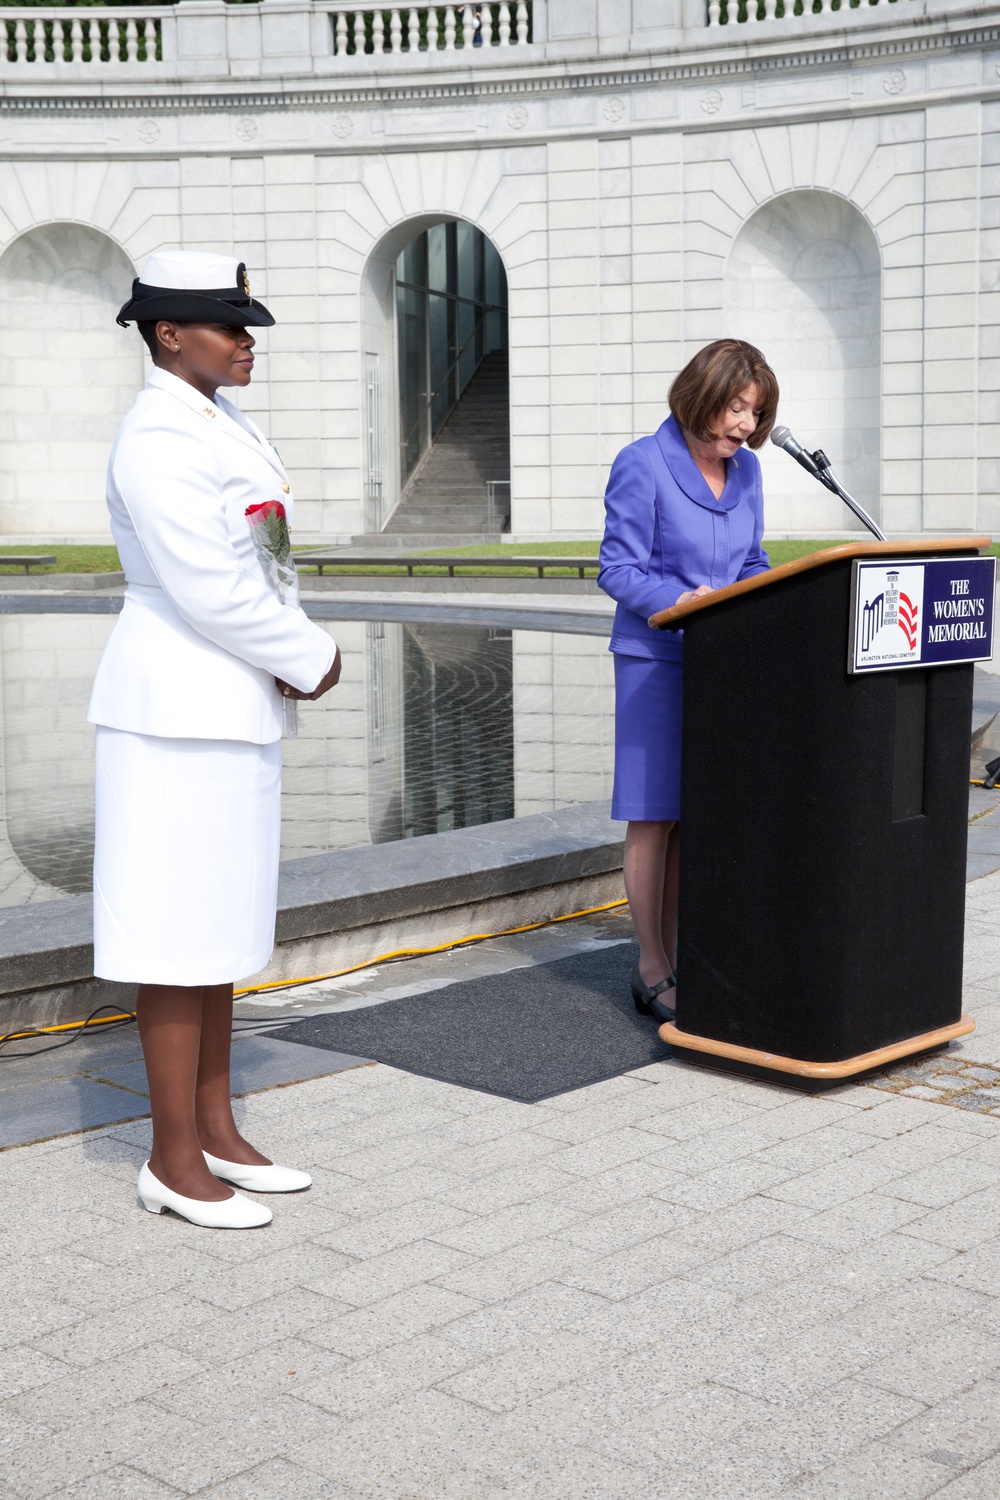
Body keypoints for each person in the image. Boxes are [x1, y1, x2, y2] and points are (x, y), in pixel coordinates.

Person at [89, 251, 341, 1229]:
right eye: (229, 326)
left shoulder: (214, 419)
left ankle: (215, 1130)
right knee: (173, 934)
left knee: (220, 926)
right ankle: (169, 1159)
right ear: (166, 333)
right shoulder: (158, 435)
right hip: (176, 706)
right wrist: (307, 652)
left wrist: (282, 650)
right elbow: (207, 586)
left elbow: (258, 561)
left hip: (228, 696)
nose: (247, 343)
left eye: (247, 327)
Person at [597, 339, 779, 1023]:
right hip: (655, 659)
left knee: (694, 817)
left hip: (721, 662)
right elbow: (617, 568)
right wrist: (683, 602)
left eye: (755, 414)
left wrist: (764, 594)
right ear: (703, 394)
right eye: (737, 408)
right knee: (654, 815)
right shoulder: (642, 463)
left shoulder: (750, 471)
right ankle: (650, 966)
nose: (745, 426)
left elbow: (754, 557)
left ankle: (683, 955)